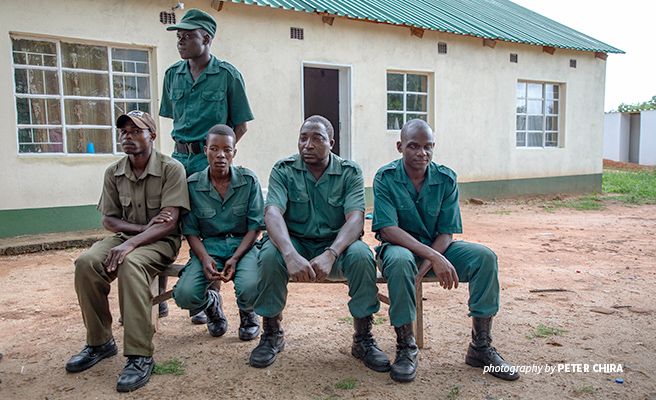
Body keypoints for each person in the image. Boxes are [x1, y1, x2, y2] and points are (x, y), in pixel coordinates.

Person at [372, 119, 519, 382]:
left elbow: (446, 233)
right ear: (400, 147)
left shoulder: (446, 178)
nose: (422, 153)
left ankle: (480, 347)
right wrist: (432, 257)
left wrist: (431, 260)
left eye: (428, 147)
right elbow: (388, 230)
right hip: (399, 249)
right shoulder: (385, 178)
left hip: (438, 249)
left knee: (484, 258)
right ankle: (406, 348)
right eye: (413, 146)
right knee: (401, 260)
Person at [249, 115, 390, 373]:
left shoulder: (349, 172)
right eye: (303, 138)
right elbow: (272, 214)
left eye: (317, 138)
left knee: (361, 254)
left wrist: (331, 253)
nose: (308, 145)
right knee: (270, 254)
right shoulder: (283, 169)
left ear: (331, 143)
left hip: (336, 248)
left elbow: (356, 219)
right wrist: (289, 254)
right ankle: (271, 333)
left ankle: (363, 338)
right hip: (296, 246)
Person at [65, 111, 190, 392]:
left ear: (152, 136)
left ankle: (139, 354)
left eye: (136, 131)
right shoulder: (114, 172)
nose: (128, 137)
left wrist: (132, 242)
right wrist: (137, 230)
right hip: (128, 236)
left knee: (130, 264)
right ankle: (99, 343)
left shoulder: (172, 169)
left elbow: (168, 220)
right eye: (124, 132)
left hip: (161, 241)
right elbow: (108, 220)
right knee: (85, 263)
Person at [159, 8, 254, 324]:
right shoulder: (173, 75)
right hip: (179, 161)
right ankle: (174, 293)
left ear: (207, 38)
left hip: (210, 160)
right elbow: (175, 121)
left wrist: (220, 155)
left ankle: (214, 300)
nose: (181, 40)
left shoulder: (227, 75)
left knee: (212, 226)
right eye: (178, 36)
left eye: (188, 35)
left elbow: (239, 125)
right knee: (172, 223)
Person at [173, 124, 263, 341]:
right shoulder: (193, 185)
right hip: (210, 248)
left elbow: (255, 227)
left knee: (251, 288)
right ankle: (212, 305)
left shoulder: (248, 181)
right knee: (185, 296)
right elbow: (191, 231)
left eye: (226, 150)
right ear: (205, 150)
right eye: (214, 148)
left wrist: (235, 257)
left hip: (244, 247)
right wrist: (204, 259)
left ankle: (248, 313)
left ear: (234, 152)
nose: (220, 155)